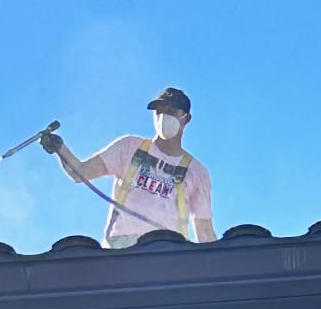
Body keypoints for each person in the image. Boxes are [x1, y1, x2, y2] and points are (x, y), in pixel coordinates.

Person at [42, 88, 215, 248]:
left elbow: (204, 230)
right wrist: (60, 149)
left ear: (186, 118)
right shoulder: (129, 147)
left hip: (167, 251)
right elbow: (80, 173)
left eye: (170, 111)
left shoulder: (196, 172)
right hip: (122, 249)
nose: (163, 117)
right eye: (159, 111)